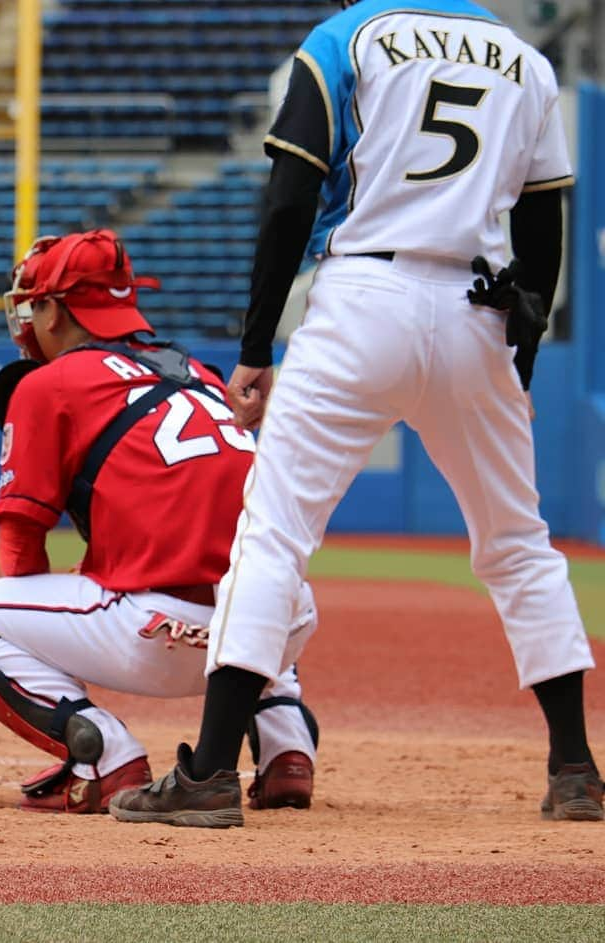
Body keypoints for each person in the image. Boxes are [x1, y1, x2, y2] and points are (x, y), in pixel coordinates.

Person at [110, 0, 602, 827]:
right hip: (479, 305)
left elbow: (289, 196)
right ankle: (576, 768)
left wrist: (257, 342)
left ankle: (210, 772)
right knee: (518, 542)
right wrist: (523, 341)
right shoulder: (526, 59)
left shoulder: (349, 35)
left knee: (274, 533)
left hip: (365, 296)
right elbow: (543, 214)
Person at [0, 228, 320, 814]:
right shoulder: (200, 375)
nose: (27, 320)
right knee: (257, 581)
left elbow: (22, 547)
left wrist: (68, 615)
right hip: (284, 628)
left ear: (54, 311)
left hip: (161, 634)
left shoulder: (49, 383)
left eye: (33, 305)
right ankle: (287, 750)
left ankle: (106, 759)